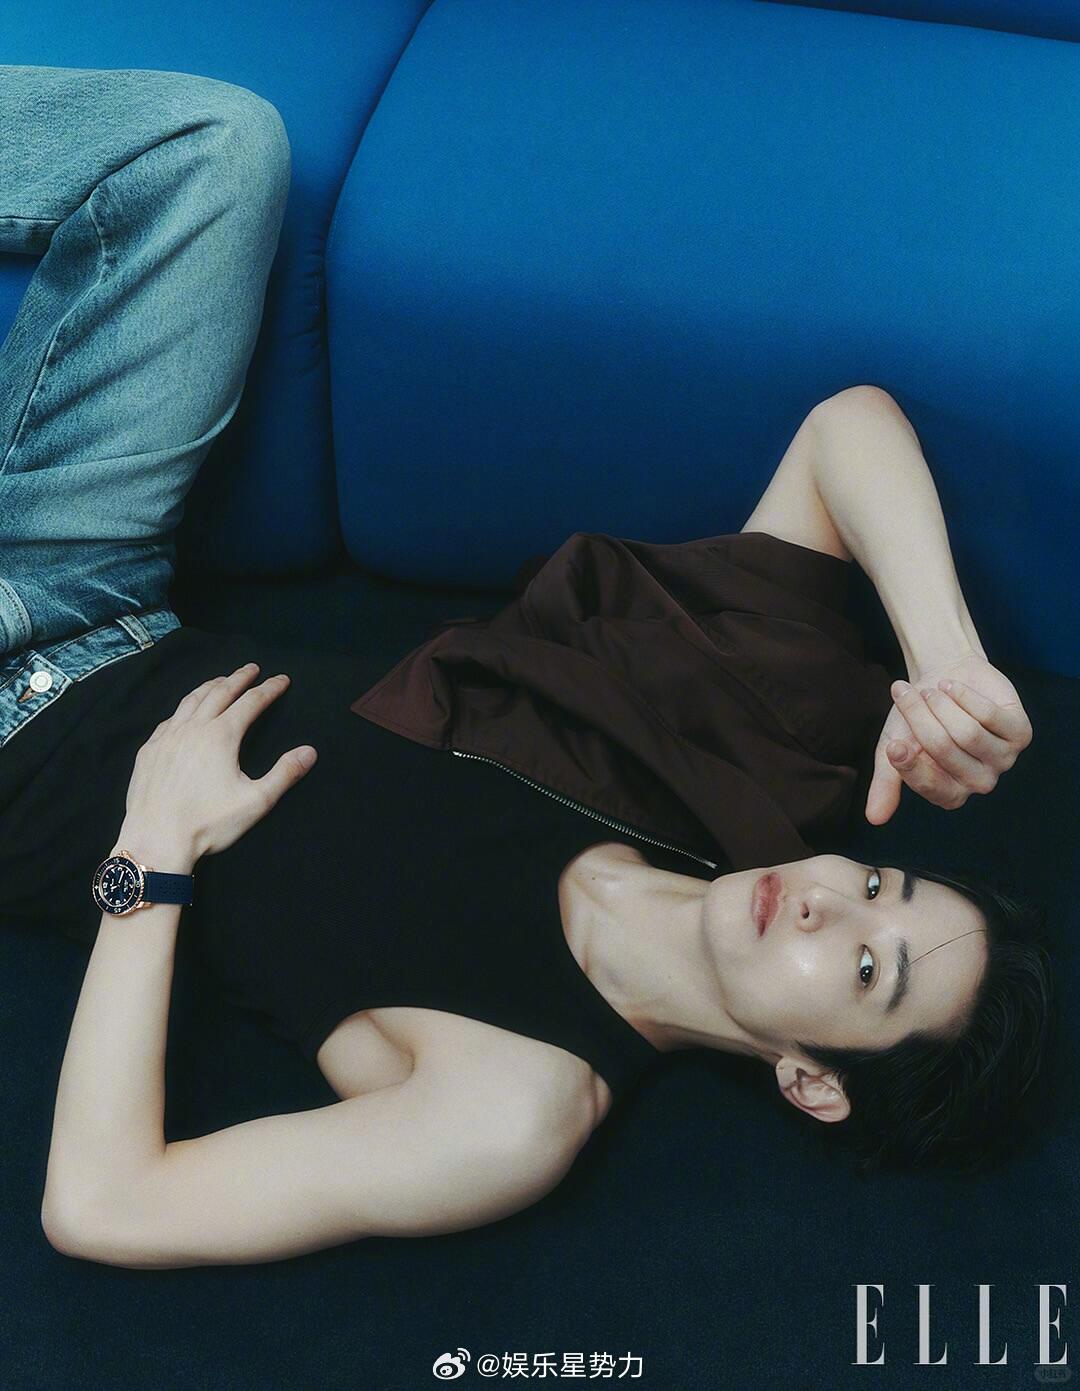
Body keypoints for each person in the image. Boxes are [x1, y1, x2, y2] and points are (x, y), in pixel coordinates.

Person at [0, 67, 1050, 1271]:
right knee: (216, 145)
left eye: (866, 967)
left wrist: (150, 856)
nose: (828, 899)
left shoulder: (516, 1106)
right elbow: (847, 430)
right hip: (94, 585)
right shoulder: (744, 781)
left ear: (814, 1079)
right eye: (876, 882)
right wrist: (948, 661)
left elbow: (107, 1204)